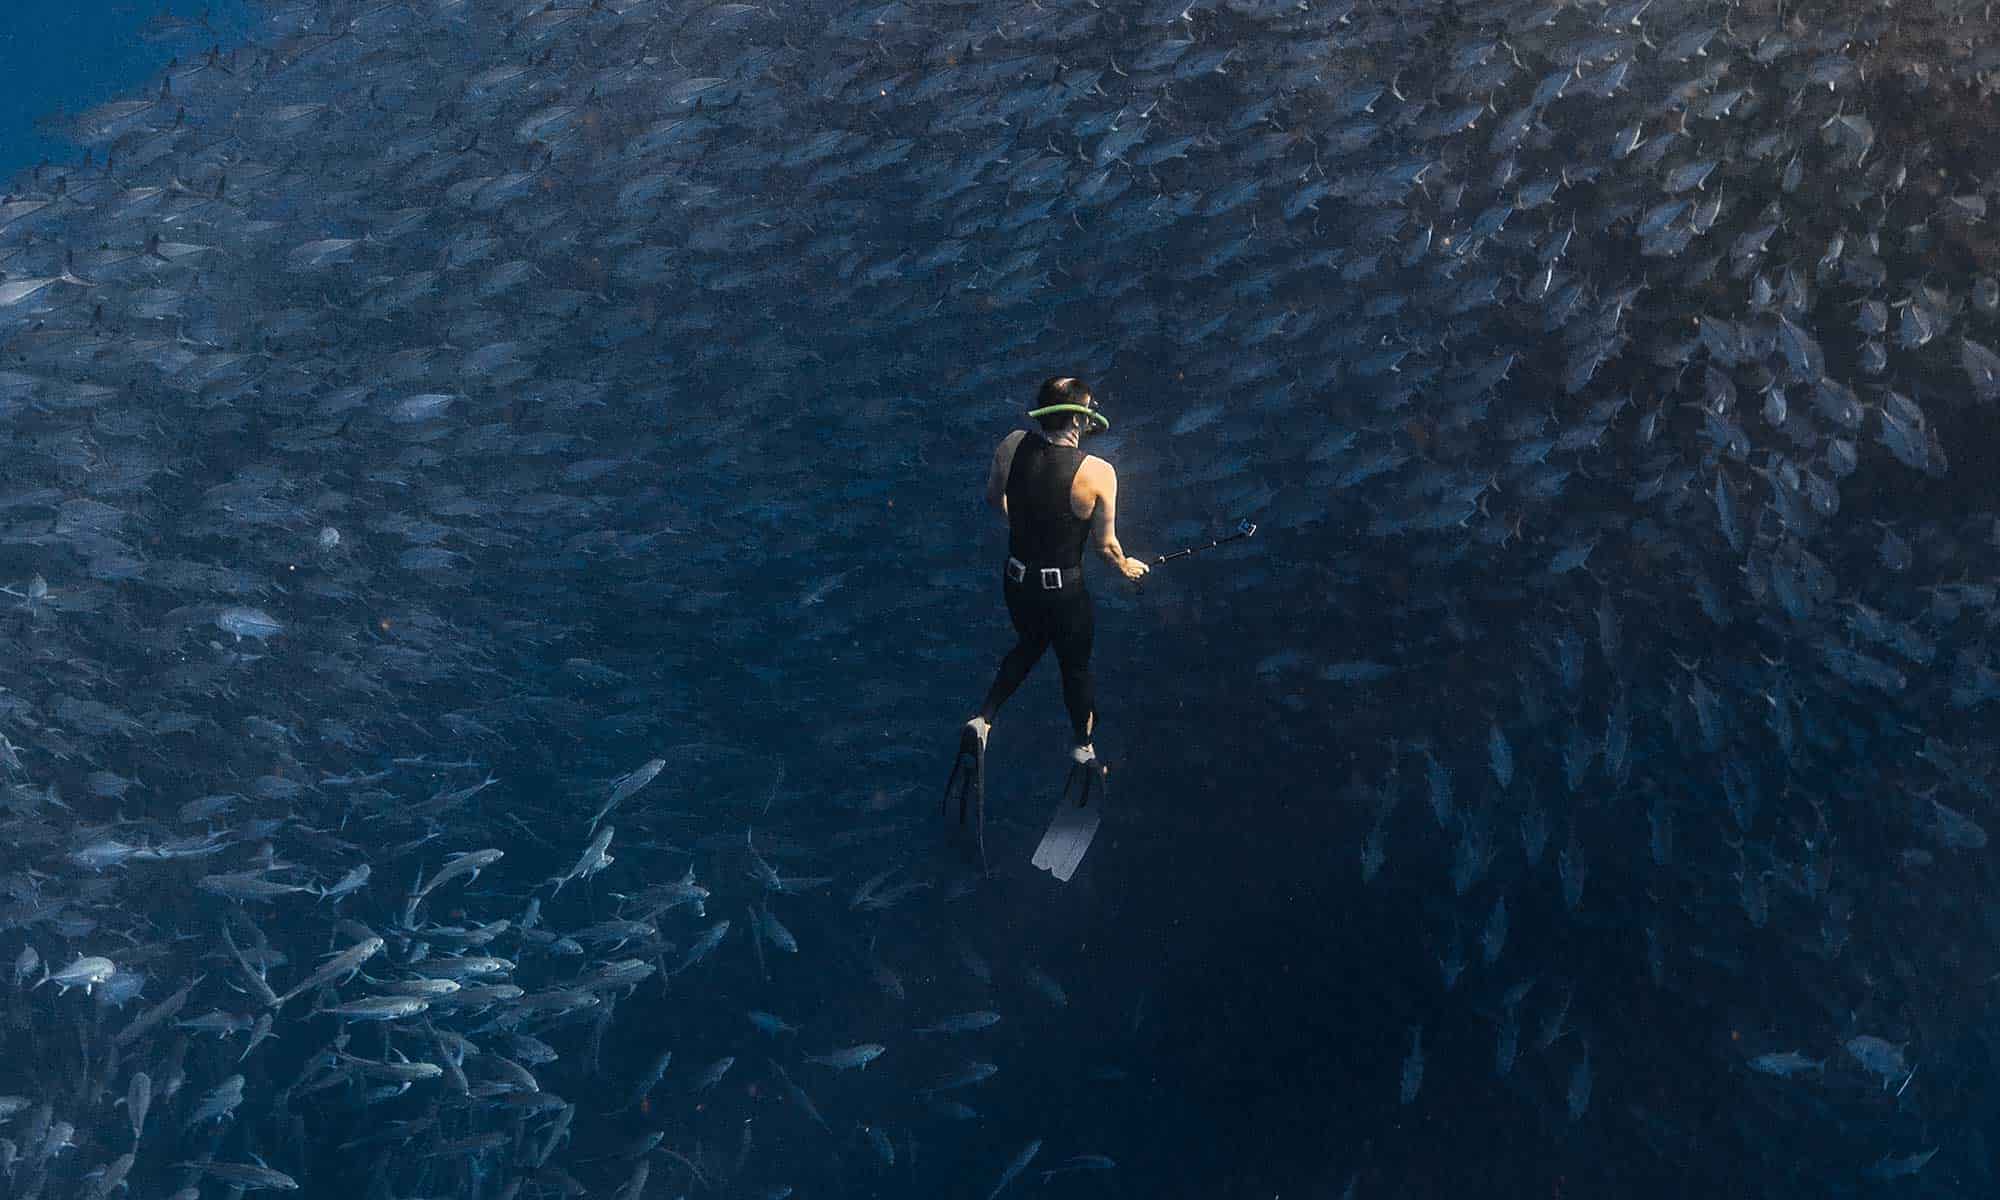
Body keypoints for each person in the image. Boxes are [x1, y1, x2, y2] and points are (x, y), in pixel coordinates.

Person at [944, 376, 1148, 878]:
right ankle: (1083, 750)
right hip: (1064, 591)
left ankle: (984, 718)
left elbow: (996, 500)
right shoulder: (1098, 472)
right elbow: (1106, 548)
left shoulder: (1011, 446)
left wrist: (1029, 530)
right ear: (1081, 420)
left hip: (1016, 582)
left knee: (1030, 640)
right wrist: (1128, 569)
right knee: (1074, 664)